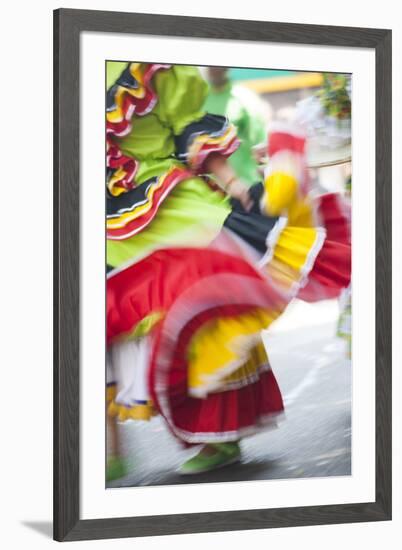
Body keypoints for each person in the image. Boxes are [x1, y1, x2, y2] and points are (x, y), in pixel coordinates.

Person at [105, 62, 351, 478]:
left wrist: (239, 186)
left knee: (201, 314)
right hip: (99, 220)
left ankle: (220, 434)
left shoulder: (148, 68)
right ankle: (107, 454)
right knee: (106, 327)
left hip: (167, 210)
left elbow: (191, 127)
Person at [203, 67, 269, 187]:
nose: (214, 69)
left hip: (247, 184)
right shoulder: (199, 99)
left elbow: (260, 143)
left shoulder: (244, 97)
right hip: (212, 190)